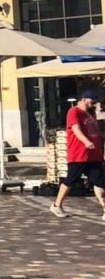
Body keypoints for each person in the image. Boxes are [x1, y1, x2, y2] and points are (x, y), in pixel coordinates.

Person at [51, 90, 105, 218]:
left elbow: (95, 132)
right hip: (79, 155)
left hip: (94, 155)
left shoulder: (91, 114)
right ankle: (56, 205)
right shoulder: (73, 112)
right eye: (93, 101)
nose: (95, 104)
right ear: (85, 99)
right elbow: (76, 129)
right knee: (71, 180)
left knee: (100, 182)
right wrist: (86, 142)